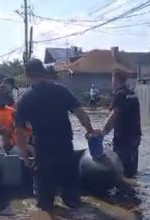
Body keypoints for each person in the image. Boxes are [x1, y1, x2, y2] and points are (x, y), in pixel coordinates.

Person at [15, 58, 96, 211]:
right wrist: (90, 132)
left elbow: (19, 132)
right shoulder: (61, 90)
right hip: (65, 146)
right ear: (43, 72)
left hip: (43, 149)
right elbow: (81, 114)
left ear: (27, 75)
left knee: (45, 203)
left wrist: (26, 157)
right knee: (72, 197)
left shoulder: (25, 99)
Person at [101, 70, 141, 178]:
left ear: (116, 79)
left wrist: (102, 133)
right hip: (136, 136)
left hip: (123, 137)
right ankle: (135, 187)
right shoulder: (133, 94)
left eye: (112, 79)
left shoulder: (119, 95)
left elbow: (114, 116)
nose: (112, 82)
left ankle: (125, 190)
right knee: (132, 169)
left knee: (121, 171)